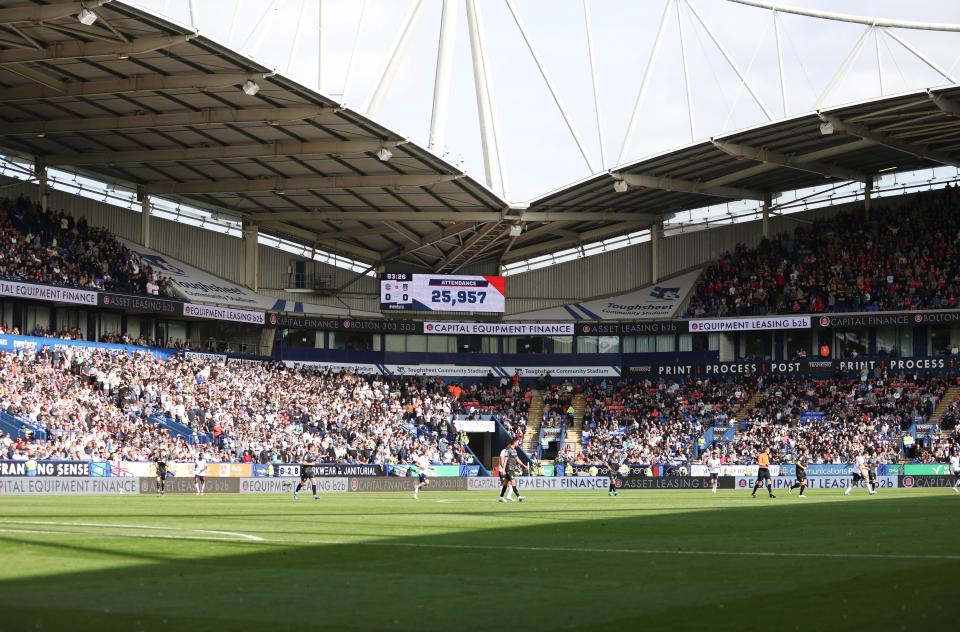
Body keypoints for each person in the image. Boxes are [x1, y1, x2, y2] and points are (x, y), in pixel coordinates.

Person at [498, 438, 527, 503]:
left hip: (512, 469)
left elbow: (517, 459)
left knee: (505, 483)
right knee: (513, 482)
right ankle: (519, 497)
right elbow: (505, 460)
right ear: (514, 442)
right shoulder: (508, 450)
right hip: (509, 469)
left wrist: (524, 465)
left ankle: (501, 497)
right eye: (517, 442)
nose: (518, 443)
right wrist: (503, 469)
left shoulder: (514, 450)